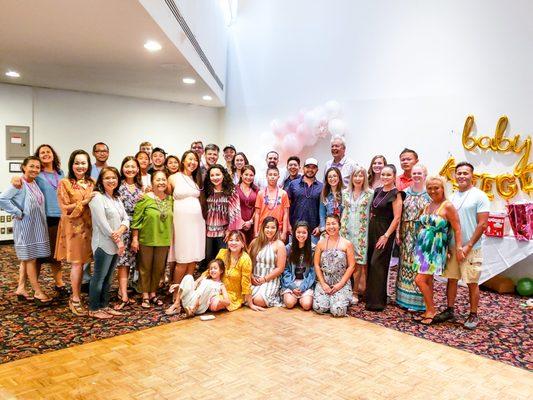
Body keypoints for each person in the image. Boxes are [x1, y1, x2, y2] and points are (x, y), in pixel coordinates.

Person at [434, 162, 489, 330]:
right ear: (455, 175)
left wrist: (468, 246)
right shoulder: (452, 196)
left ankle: (473, 314)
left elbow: (482, 224)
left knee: (472, 281)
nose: (462, 176)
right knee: (452, 279)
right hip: (452, 247)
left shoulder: (480, 196)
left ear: (472, 175)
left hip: (471, 248)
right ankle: (450, 309)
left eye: (465, 173)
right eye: (459, 173)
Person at [10, 144, 68, 297]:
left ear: (53, 155)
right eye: (42, 152)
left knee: (56, 255)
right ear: (38, 156)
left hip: (59, 218)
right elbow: (21, 180)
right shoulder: (37, 173)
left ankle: (58, 283)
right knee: (35, 256)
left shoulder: (60, 173)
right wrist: (15, 177)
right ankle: (29, 287)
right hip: (41, 219)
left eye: (48, 151)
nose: (46, 154)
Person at [0, 156, 52, 305]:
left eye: (37, 167)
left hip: (35, 226)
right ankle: (37, 291)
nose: (35, 169)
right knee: (30, 259)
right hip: (25, 226)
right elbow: (2, 199)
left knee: (27, 258)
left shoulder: (34, 183)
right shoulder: (19, 184)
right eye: (31, 166)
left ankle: (21, 288)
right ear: (24, 167)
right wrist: (17, 212)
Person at [414, 176, 463, 325]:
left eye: (436, 187)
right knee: (427, 280)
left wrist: (458, 247)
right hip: (423, 246)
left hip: (435, 247)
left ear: (442, 188)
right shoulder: (428, 205)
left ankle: (431, 310)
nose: (433, 191)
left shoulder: (447, 206)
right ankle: (428, 309)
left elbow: (457, 228)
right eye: (429, 188)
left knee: (419, 280)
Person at [55, 150, 96, 316]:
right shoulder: (65, 183)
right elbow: (65, 208)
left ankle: (80, 294)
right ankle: (75, 297)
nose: (80, 166)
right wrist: (84, 202)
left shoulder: (92, 181)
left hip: (91, 227)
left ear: (88, 165)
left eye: (83, 163)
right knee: (77, 263)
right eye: (77, 163)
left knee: (88, 262)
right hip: (73, 228)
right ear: (71, 165)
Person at [88, 167, 129, 319]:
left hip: (116, 243)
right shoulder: (97, 198)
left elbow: (126, 218)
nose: (111, 181)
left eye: (114, 178)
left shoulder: (116, 198)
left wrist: (121, 230)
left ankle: (104, 305)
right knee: (99, 277)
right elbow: (103, 225)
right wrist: (118, 240)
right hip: (103, 244)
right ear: (101, 181)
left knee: (109, 278)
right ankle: (94, 308)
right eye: (107, 178)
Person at [131, 171, 173, 309]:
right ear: (152, 182)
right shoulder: (145, 199)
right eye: (158, 180)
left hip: (164, 240)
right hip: (146, 239)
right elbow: (136, 220)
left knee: (158, 269)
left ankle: (153, 294)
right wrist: (135, 239)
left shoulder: (170, 199)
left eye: (163, 180)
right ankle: (145, 295)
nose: (161, 182)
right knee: (145, 268)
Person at [366, 164, 404, 311]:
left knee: (378, 264)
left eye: (388, 175)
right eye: (383, 174)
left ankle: (378, 302)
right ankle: (370, 299)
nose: (385, 177)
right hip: (373, 229)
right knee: (371, 262)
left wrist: (387, 236)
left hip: (385, 231)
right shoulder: (377, 191)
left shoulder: (396, 194)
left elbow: (397, 218)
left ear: (394, 176)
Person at [395, 164, 431, 312]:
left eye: (419, 173)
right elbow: (399, 214)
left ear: (425, 175)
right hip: (406, 233)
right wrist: (398, 232)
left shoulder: (429, 194)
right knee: (404, 264)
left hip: (422, 233)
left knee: (419, 266)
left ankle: (419, 302)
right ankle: (403, 299)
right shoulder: (404, 193)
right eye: (414, 173)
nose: (416, 176)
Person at [167, 151, 205, 284]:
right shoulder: (173, 178)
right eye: (190, 159)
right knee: (182, 258)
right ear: (183, 161)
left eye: (195, 160)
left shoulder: (197, 179)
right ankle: (176, 291)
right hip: (181, 224)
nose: (193, 162)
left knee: (193, 257)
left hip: (197, 224)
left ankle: (186, 290)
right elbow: (163, 197)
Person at [340, 166, 373, 303]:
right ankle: (344, 289)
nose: (358, 179)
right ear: (351, 178)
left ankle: (355, 292)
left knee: (359, 262)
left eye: (361, 176)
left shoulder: (370, 193)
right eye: (355, 176)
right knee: (345, 261)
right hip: (346, 230)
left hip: (361, 232)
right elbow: (344, 211)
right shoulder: (345, 193)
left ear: (365, 178)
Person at [114, 156, 143, 309]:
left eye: (133, 167)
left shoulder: (141, 187)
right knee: (123, 262)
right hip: (123, 227)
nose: (130, 169)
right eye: (127, 166)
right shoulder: (118, 186)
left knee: (133, 261)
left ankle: (123, 290)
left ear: (138, 169)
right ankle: (124, 293)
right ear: (122, 168)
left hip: (139, 227)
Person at [313, 214, 356, 317]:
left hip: (341, 282)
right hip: (325, 282)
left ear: (339, 225)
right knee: (319, 308)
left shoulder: (347, 244)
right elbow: (316, 264)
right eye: (328, 224)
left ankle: (342, 299)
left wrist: (340, 284)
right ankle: (330, 300)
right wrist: (323, 284)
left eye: (334, 223)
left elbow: (352, 266)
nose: (331, 227)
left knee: (338, 311)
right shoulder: (321, 243)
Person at [203, 164, 243, 271]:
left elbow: (235, 212)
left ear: (223, 175)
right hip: (208, 231)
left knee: (222, 260)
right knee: (209, 259)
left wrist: (230, 230)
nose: (215, 177)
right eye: (212, 175)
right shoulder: (207, 190)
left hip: (224, 232)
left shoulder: (231, 191)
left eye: (218, 174)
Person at [249, 216, 286, 308]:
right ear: (262, 228)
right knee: (246, 297)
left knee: (259, 300)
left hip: (270, 279)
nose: (270, 230)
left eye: (273, 227)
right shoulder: (254, 242)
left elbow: (280, 268)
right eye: (267, 227)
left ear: (277, 229)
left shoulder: (280, 245)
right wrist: (251, 276)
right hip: (255, 278)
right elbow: (247, 262)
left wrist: (265, 279)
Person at [286, 158, 323, 243]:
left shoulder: (322, 187)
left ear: (317, 169)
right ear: (303, 168)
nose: (310, 169)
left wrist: (320, 226)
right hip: (295, 229)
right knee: (294, 255)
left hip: (313, 231)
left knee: (312, 255)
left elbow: (323, 209)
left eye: (313, 167)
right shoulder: (293, 184)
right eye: (307, 167)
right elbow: (286, 206)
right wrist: (288, 225)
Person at [281, 221, 315, 310]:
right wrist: (292, 286)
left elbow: (313, 272)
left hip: (306, 282)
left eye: (304, 232)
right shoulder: (288, 248)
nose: (301, 235)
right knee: (289, 303)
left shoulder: (313, 249)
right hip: (291, 281)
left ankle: (301, 298)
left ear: (308, 234)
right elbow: (285, 270)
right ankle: (294, 298)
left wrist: (303, 287)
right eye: (298, 232)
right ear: (294, 233)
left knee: (307, 305)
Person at [254, 166, 290, 241]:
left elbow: (286, 214)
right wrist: (256, 231)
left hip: (277, 229)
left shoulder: (283, 193)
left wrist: (284, 232)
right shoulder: (260, 193)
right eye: (270, 175)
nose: (272, 177)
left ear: (278, 177)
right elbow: (257, 213)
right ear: (266, 177)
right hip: (263, 229)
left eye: (275, 175)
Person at [236, 165, 258, 244]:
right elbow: (231, 208)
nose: (248, 177)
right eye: (246, 174)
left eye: (251, 175)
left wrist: (251, 221)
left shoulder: (257, 190)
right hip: (237, 225)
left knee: (251, 250)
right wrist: (241, 222)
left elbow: (258, 209)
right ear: (241, 175)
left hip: (252, 225)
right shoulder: (234, 189)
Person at [319, 167, 345, 233]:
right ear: (327, 180)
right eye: (329, 177)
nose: (332, 178)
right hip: (329, 228)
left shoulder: (345, 193)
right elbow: (322, 213)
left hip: (343, 228)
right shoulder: (324, 194)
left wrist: (343, 228)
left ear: (339, 177)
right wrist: (324, 229)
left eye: (334, 176)